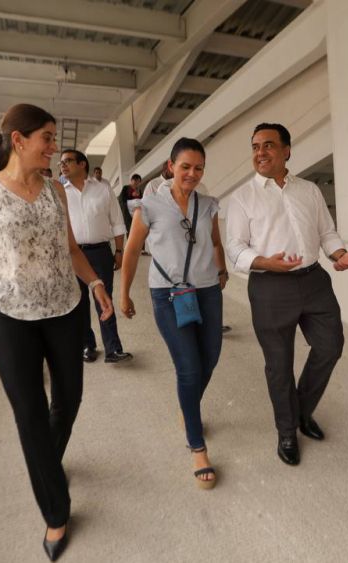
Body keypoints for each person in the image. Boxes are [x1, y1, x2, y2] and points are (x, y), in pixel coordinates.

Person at [0, 103, 114, 561]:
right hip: (8, 316)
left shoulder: (55, 192)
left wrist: (97, 283)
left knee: (70, 398)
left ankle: (46, 462)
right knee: (29, 413)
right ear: (18, 140)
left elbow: (71, 249)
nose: (54, 147)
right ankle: (55, 511)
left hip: (64, 308)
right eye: (46, 137)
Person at [225, 123, 348, 466]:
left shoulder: (309, 190)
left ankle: (300, 411)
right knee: (279, 365)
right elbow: (235, 247)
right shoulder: (243, 197)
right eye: (255, 146)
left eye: (268, 145)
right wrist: (264, 261)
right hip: (270, 286)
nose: (260, 152)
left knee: (331, 345)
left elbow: (326, 231)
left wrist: (338, 254)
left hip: (314, 281)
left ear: (286, 150)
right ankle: (287, 431)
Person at [120, 137, 228, 489]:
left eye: (199, 168)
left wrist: (222, 270)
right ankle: (197, 445)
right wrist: (123, 293)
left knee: (209, 358)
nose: (192, 174)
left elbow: (214, 242)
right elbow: (133, 250)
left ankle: (188, 408)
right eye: (185, 167)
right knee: (189, 365)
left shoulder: (208, 204)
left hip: (208, 290)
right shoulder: (149, 206)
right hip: (168, 293)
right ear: (171, 165)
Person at [59, 149, 133, 364]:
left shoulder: (103, 190)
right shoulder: (59, 192)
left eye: (68, 161)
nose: (62, 165)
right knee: (79, 303)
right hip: (73, 255)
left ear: (82, 164)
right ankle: (87, 345)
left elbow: (117, 222)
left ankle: (113, 349)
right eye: (61, 163)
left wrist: (119, 251)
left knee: (105, 299)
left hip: (101, 252)